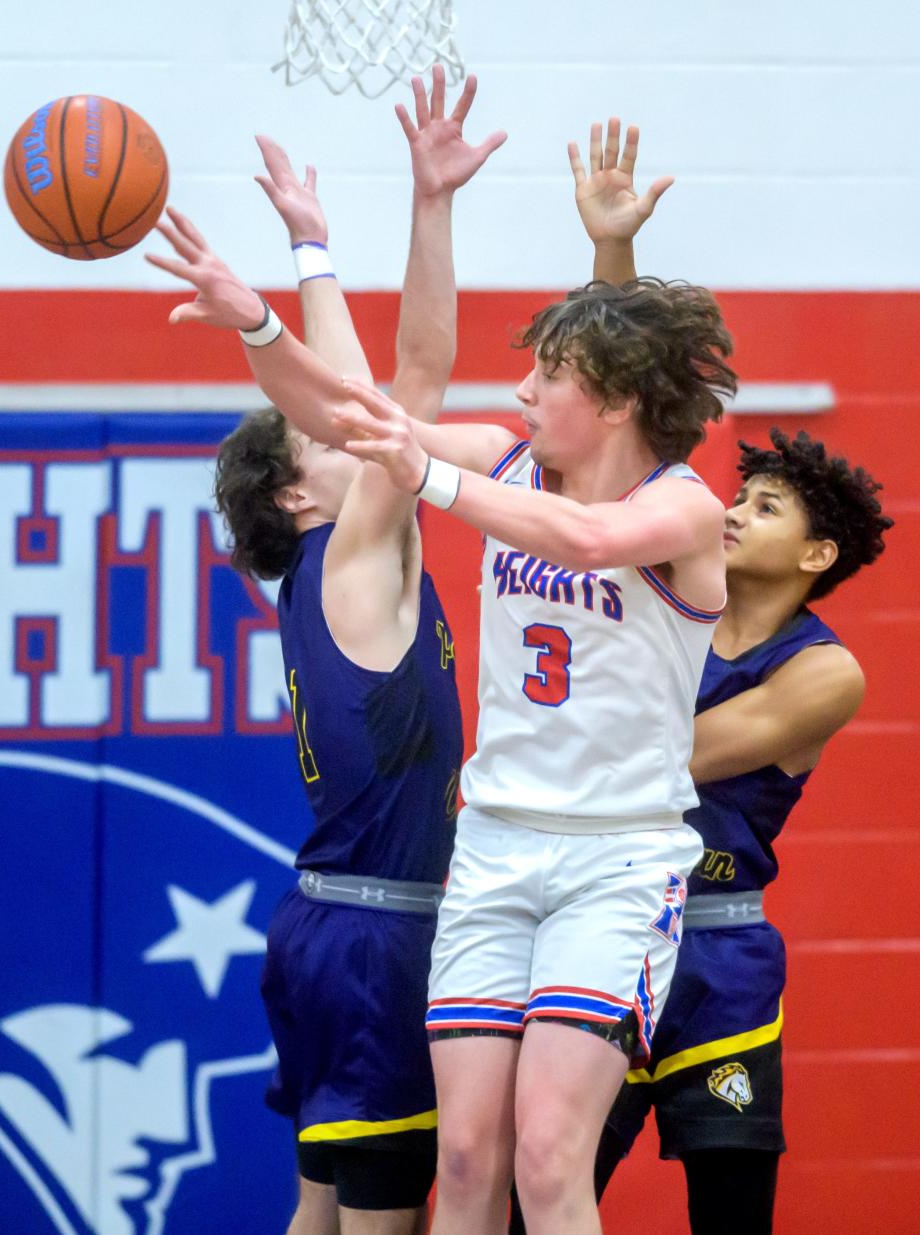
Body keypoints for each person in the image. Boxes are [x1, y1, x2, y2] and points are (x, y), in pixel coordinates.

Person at [148, 103, 734, 1233]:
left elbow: (585, 538)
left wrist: (429, 470)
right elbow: (358, 406)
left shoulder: (682, 505)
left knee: (549, 1157)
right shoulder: (510, 457)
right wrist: (261, 321)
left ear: (605, 400)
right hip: (494, 848)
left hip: (615, 859)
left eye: (540, 379)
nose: (514, 395)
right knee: (464, 1160)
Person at [184, 69, 505, 1235]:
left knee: (316, 1217)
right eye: (312, 433)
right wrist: (410, 214)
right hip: (380, 934)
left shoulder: (328, 574)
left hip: (329, 919)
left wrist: (314, 246)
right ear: (293, 486)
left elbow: (363, 398)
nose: (341, 425)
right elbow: (399, 382)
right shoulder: (358, 549)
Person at [585, 428, 893, 1235]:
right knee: (537, 1185)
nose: (733, 512)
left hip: (721, 959)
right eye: (738, 496)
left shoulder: (827, 670)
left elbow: (671, 756)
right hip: (606, 927)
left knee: (732, 1214)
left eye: (766, 507)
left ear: (816, 555)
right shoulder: (668, 604)